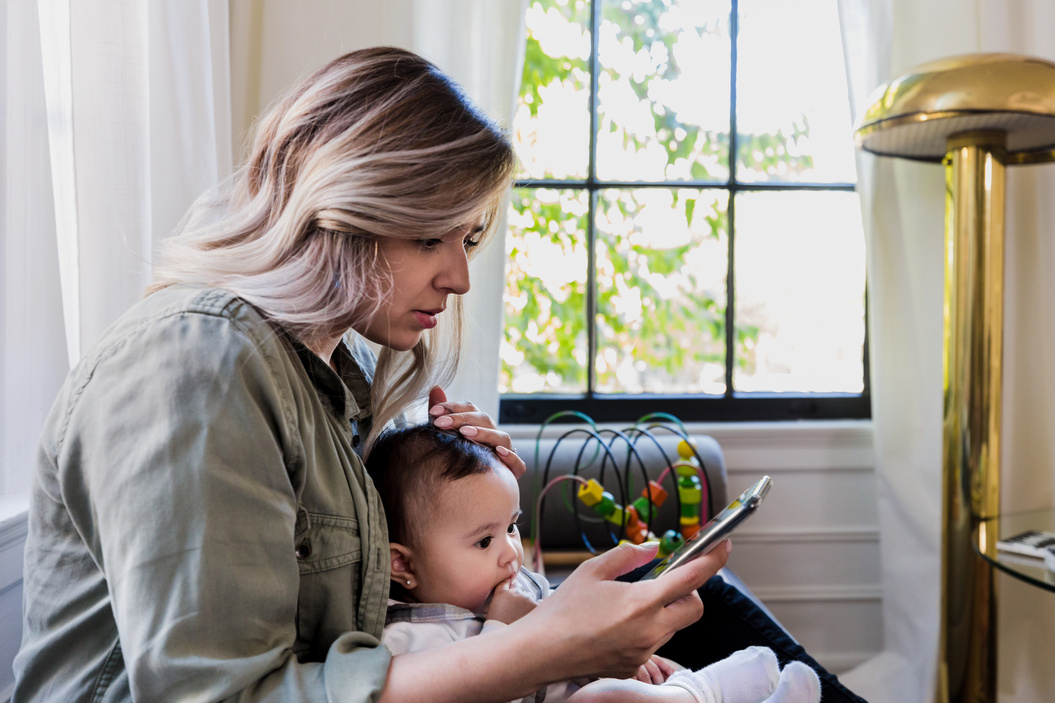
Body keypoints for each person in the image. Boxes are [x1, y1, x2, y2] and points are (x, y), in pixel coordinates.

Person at [11, 47, 732, 702]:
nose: (457, 277)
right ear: (340, 213)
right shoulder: (197, 364)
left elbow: (371, 625)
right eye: (427, 237)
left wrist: (462, 509)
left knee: (712, 605)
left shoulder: (325, 374)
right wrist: (539, 648)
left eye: (467, 238)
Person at [366, 423, 822, 703]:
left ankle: (712, 691)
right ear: (402, 566)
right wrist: (504, 629)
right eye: (483, 541)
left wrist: (625, 658)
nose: (510, 551)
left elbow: (579, 639)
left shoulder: (517, 585)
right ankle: (707, 692)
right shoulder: (406, 638)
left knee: (648, 678)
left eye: (511, 527)